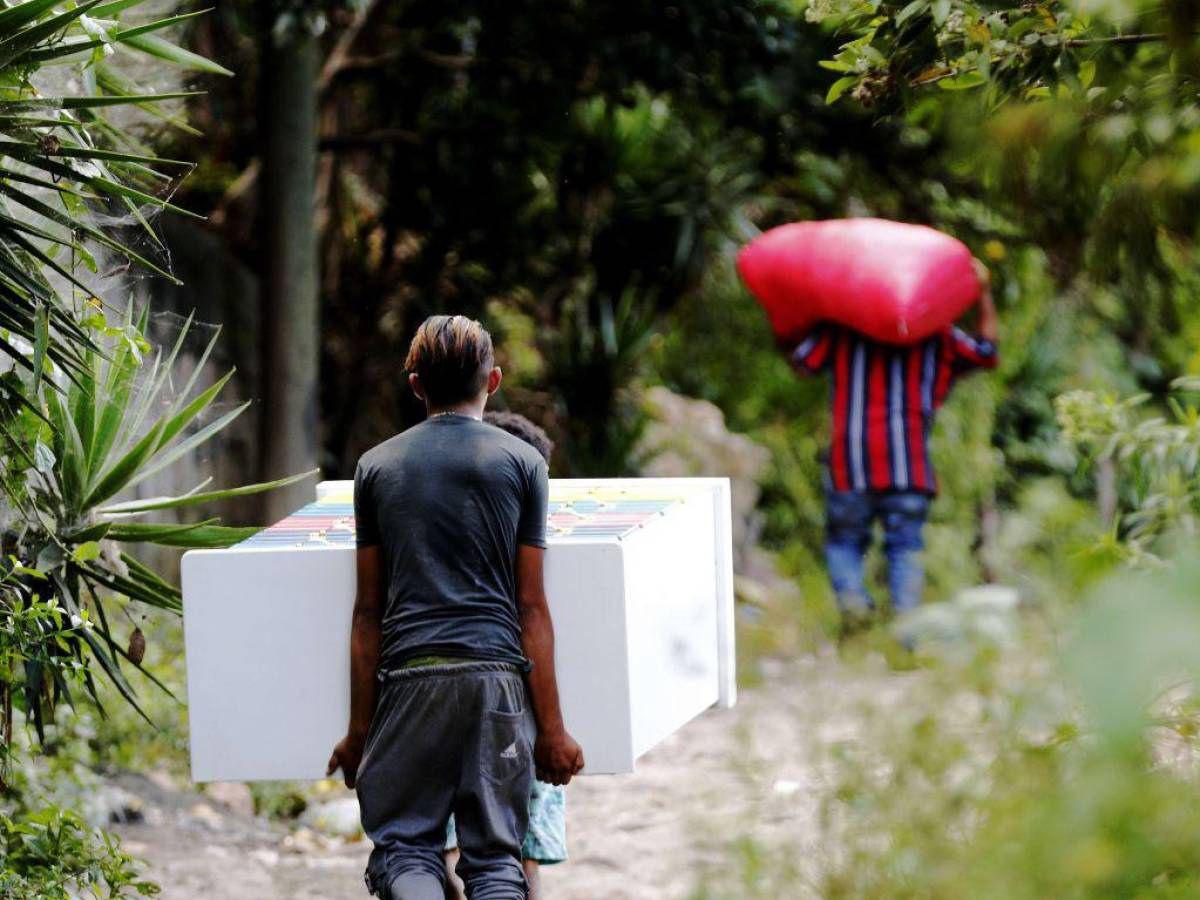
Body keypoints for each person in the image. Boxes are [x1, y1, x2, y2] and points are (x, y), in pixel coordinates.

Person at [327, 315, 585, 900]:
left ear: (415, 385)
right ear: (492, 381)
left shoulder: (375, 467)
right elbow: (532, 609)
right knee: (496, 860)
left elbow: (367, 613)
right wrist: (554, 730)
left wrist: (359, 731)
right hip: (496, 681)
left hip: (410, 678)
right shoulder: (523, 464)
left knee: (407, 849)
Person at [789, 261, 999, 635]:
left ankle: (854, 604)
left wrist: (819, 303)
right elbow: (986, 352)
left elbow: (802, 360)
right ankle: (907, 629)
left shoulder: (841, 329)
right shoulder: (937, 334)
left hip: (850, 463)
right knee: (905, 548)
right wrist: (982, 292)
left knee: (845, 543)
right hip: (908, 466)